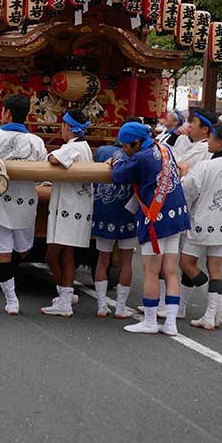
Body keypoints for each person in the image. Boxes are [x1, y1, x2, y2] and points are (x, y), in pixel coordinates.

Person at [110, 121, 190, 336]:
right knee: (171, 271)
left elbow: (118, 175)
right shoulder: (164, 149)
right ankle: (170, 322)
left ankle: (150, 321)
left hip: (155, 219)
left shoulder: (141, 158)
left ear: (136, 143)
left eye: (125, 146)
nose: (124, 150)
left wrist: (117, 160)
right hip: (176, 216)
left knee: (151, 272)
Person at [0, 94, 47, 315]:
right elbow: (43, 173)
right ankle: (12, 301)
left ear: (6, 113)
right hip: (23, 200)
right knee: (6, 252)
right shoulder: (36, 142)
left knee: (22, 250)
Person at [179, 124, 222, 328]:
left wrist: (184, 173)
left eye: (211, 138)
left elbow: (188, 189)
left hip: (203, 221)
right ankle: (210, 314)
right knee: (215, 268)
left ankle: (214, 306)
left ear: (219, 142)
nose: (208, 141)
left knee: (186, 263)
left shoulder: (205, 166)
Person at [40, 110, 94, 317]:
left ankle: (65, 298)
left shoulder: (72, 147)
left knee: (52, 255)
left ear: (68, 127)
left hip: (69, 208)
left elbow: (54, 159)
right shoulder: (85, 146)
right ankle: (66, 296)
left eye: (62, 125)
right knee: (67, 253)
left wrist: (49, 155)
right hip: (78, 207)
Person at [91, 136, 137, 319]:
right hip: (127, 211)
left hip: (104, 209)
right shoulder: (138, 157)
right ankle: (120, 307)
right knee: (126, 261)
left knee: (103, 259)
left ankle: (101, 306)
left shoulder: (103, 151)